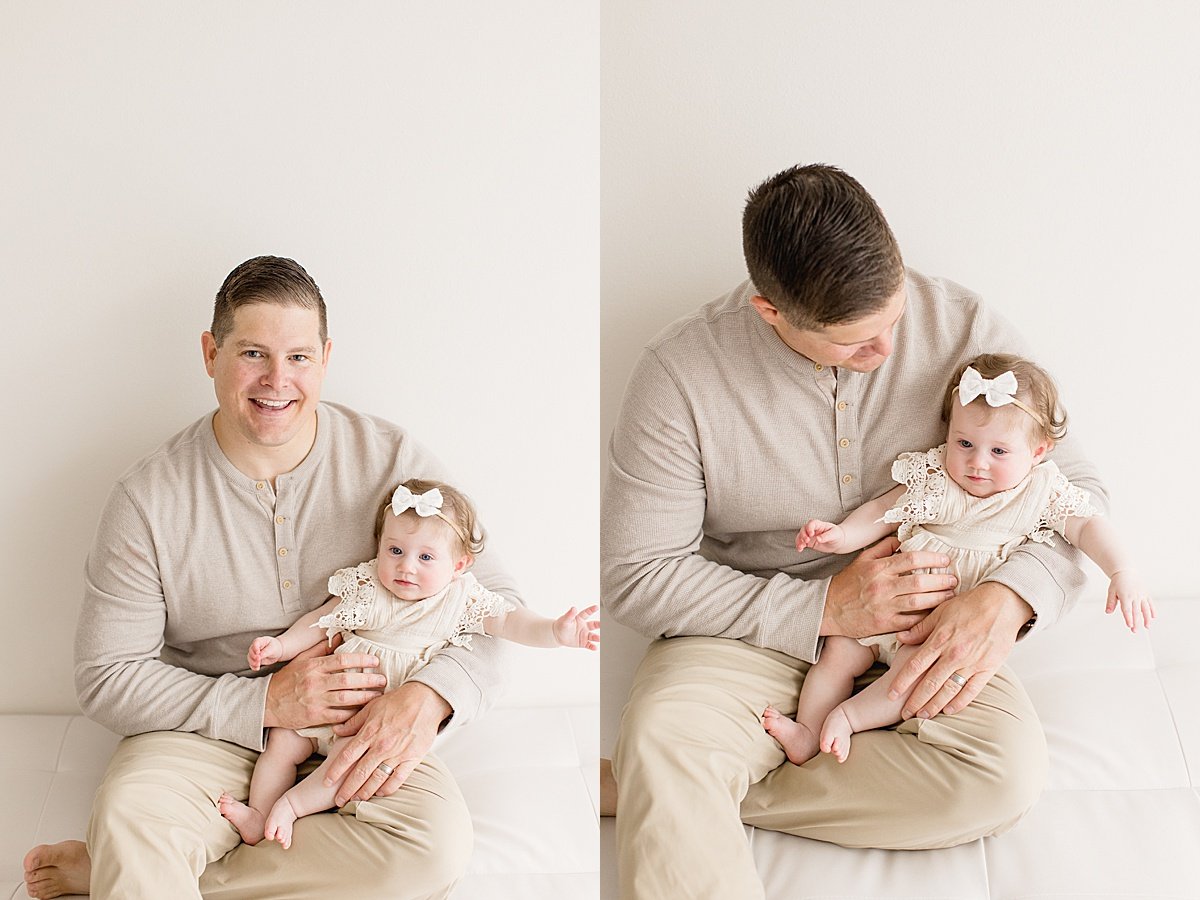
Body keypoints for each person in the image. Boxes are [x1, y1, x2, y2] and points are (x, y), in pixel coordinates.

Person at [600, 164, 1107, 899]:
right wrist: (826, 609)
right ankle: (675, 774)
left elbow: (1077, 490)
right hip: (744, 633)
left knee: (1001, 774)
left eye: (894, 321)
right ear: (770, 312)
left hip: (926, 634)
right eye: (854, 344)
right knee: (662, 738)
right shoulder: (678, 376)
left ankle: (676, 790)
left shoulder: (966, 328)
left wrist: (1009, 598)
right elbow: (638, 573)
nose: (887, 354)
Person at [23, 256, 519, 899]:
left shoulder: (391, 461)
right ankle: (138, 856)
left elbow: (496, 604)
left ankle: (128, 871)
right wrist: (265, 704)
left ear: (326, 356)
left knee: (433, 847)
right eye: (253, 353)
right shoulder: (147, 498)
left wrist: (429, 697)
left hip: (360, 734)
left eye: (299, 357)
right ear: (210, 353)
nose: (277, 381)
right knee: (132, 818)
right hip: (205, 732)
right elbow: (107, 675)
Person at [763, 353, 1154, 765]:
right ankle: (808, 730)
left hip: (944, 624)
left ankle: (849, 717)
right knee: (837, 653)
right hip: (888, 605)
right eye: (964, 443)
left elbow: (1088, 526)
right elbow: (883, 512)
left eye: (999, 451)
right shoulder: (935, 477)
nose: (977, 462)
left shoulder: (1042, 493)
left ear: (1039, 451)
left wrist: (1122, 570)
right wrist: (841, 536)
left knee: (920, 672)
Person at [219, 476, 599, 850]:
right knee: (281, 742)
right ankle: (260, 812)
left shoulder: (460, 601)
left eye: (426, 557)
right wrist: (280, 647)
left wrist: (555, 632)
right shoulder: (367, 586)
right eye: (395, 551)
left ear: (459, 565)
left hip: (373, 721)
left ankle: (292, 806)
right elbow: (321, 623)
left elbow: (512, 621)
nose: (406, 568)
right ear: (379, 547)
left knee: (348, 761)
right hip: (327, 703)